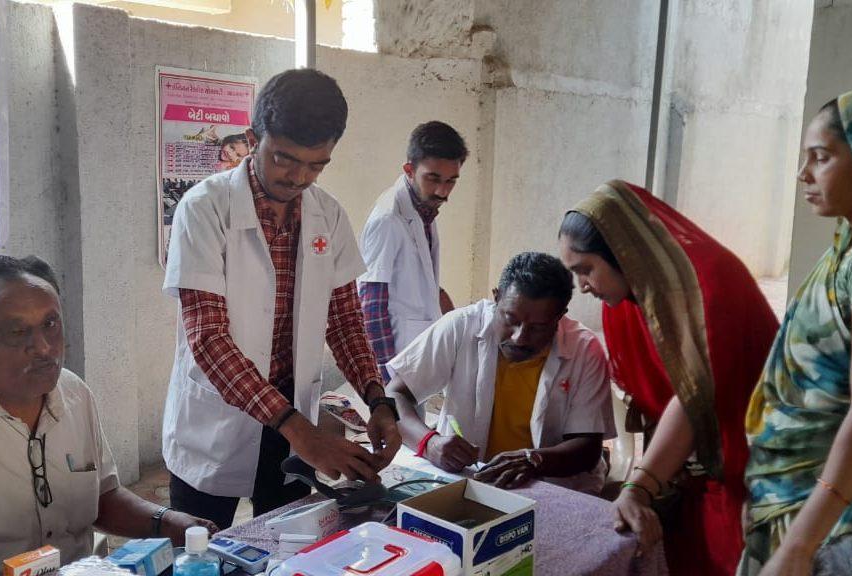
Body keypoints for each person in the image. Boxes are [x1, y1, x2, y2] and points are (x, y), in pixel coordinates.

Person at [0, 256, 215, 576]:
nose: (44, 348)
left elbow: (103, 498)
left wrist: (167, 522)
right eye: (17, 332)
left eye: (51, 324)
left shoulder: (73, 393)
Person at [162, 68, 402, 530]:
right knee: (198, 549)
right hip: (217, 425)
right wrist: (302, 432)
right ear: (253, 138)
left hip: (290, 421)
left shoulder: (327, 215)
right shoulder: (203, 208)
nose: (299, 178)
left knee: (285, 547)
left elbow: (346, 322)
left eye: (316, 165)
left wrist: (379, 401)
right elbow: (209, 339)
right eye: (285, 159)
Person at [558, 181, 779, 575]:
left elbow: (695, 396)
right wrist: (653, 479)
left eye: (586, 270)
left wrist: (640, 486)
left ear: (624, 253)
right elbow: (655, 402)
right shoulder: (625, 303)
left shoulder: (710, 286)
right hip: (687, 472)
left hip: (750, 466)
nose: (583, 286)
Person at [739, 92, 852, 576]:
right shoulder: (847, 249)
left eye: (822, 157)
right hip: (800, 501)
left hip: (833, 525)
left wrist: (798, 545)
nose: (803, 175)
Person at [385, 252, 616, 495]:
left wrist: (533, 460)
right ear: (496, 298)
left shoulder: (584, 349)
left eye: (538, 328)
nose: (520, 337)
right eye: (510, 319)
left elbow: (588, 449)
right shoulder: (461, 326)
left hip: (551, 486)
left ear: (559, 316)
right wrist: (429, 443)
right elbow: (394, 395)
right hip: (469, 479)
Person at [358, 121, 466, 382]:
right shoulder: (388, 219)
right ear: (409, 169)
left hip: (416, 352)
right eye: (434, 179)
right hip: (395, 358)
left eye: (451, 181)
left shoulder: (423, 209)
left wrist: (453, 322)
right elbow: (371, 304)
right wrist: (385, 375)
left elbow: (425, 282)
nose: (443, 191)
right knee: (400, 420)